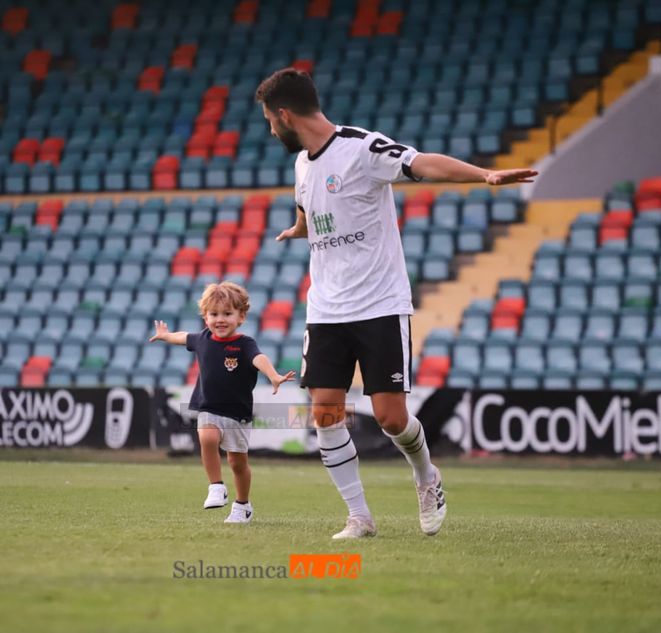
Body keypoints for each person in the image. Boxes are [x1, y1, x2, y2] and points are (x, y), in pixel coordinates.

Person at [256, 68, 537, 539]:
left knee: (391, 418)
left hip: (379, 304)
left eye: (269, 120)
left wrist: (484, 174)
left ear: (284, 115)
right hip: (325, 308)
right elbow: (309, 212)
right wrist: (299, 229)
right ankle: (359, 517)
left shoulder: (361, 148)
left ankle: (427, 476)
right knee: (325, 413)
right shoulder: (302, 163)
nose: (270, 130)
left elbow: (421, 162)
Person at [149, 281, 296, 524]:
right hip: (208, 406)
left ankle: (243, 505)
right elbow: (183, 337)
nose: (220, 319)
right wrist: (165, 336)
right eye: (214, 314)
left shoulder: (245, 343)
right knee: (207, 438)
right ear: (205, 317)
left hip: (237, 413)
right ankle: (216, 486)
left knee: (237, 463)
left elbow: (259, 358)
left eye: (227, 314)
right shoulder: (202, 338)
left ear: (241, 317)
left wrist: (273, 375)